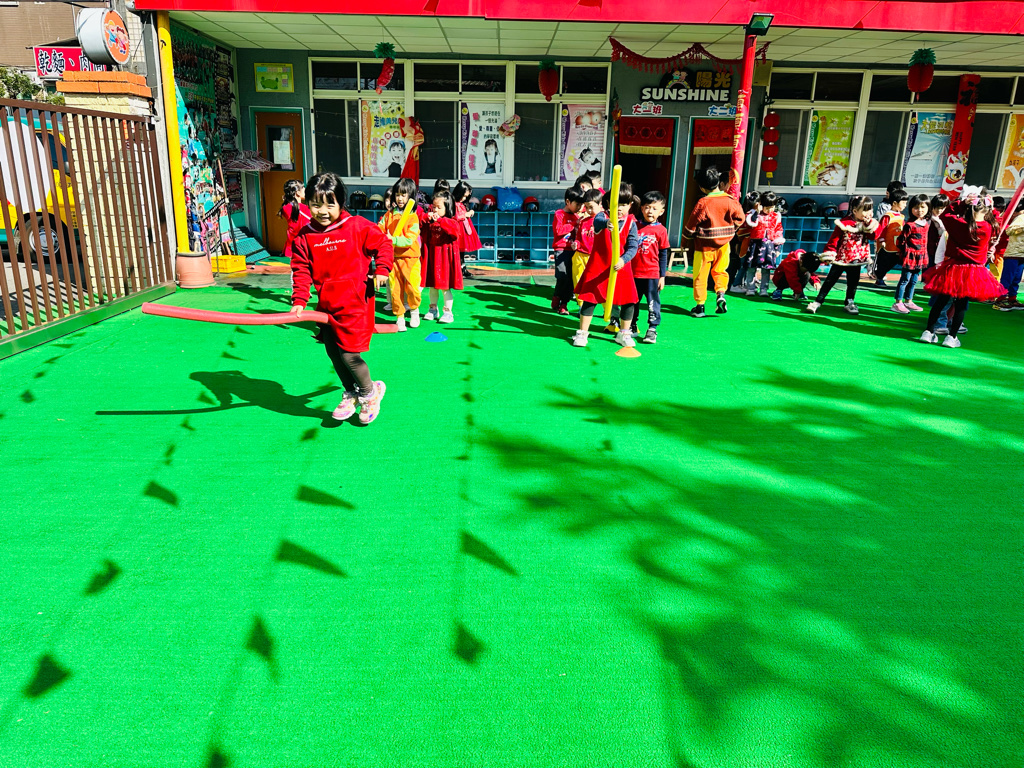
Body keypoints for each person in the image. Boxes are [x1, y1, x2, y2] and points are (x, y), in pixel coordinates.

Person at [289, 172, 393, 425]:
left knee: (349, 355)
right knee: (334, 354)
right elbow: (301, 270)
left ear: (341, 202)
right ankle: (351, 392)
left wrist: (382, 269)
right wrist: (299, 300)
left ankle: (369, 393)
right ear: (307, 203)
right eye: (316, 204)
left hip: (355, 303)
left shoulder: (356, 226)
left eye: (329, 204)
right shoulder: (304, 236)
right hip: (327, 306)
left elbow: (383, 245)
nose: (322, 211)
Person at [919, 187, 1006, 347]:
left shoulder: (957, 224)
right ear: (986, 210)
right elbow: (998, 221)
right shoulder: (988, 228)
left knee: (941, 301)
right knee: (960, 305)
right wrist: (992, 207)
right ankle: (951, 337)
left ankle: (928, 332)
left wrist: (961, 203)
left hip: (953, 268)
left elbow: (945, 215)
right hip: (973, 271)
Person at [572, 183, 641, 348]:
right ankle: (582, 332)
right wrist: (607, 223)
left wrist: (623, 259)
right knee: (590, 299)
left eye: (624, 204)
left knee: (628, 301)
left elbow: (633, 246)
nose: (620, 208)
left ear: (630, 205)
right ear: (608, 203)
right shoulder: (601, 217)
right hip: (598, 267)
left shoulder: (631, 223)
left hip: (620, 268)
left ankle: (624, 333)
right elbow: (598, 222)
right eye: (616, 204)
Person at [681, 166, 746, 317]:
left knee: (700, 274)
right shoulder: (731, 200)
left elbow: (691, 225)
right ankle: (720, 294)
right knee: (720, 271)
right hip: (724, 245)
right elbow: (740, 218)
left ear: (702, 187)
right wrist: (732, 229)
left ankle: (700, 306)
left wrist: (685, 241)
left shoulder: (703, 202)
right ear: (718, 182)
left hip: (704, 246)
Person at [806, 196, 878, 315]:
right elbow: (834, 239)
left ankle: (849, 302)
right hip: (841, 259)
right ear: (855, 211)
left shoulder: (868, 224)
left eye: (870, 209)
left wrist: (869, 224)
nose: (869, 213)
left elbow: (874, 236)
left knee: (853, 283)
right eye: (865, 210)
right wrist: (830, 253)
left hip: (857, 260)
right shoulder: (844, 223)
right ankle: (818, 301)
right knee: (830, 280)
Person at [378, 178, 422, 332]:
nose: (400, 198)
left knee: (412, 287)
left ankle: (414, 311)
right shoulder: (389, 215)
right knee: (395, 289)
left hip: (411, 258)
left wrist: (393, 239)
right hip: (393, 258)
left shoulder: (413, 217)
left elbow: (409, 239)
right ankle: (400, 317)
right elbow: (380, 229)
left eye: (403, 195)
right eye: (397, 195)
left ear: (411, 196)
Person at [628, 190, 670, 344]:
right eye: (646, 207)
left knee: (653, 302)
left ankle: (652, 329)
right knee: (632, 301)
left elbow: (663, 254)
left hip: (652, 274)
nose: (649, 211)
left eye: (654, 208)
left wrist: (662, 276)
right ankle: (631, 325)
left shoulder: (661, 230)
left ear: (661, 211)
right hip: (633, 273)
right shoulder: (634, 226)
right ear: (641, 208)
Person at [420, 189, 463, 324]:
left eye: (439, 207)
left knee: (445, 287)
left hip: (445, 260)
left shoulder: (452, 221)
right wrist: (426, 217)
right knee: (432, 286)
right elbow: (419, 224)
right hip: (432, 257)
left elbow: (454, 231)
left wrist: (440, 220)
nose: (435, 210)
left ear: (448, 207)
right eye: (434, 207)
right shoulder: (430, 222)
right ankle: (433, 309)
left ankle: (448, 312)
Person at [893, 193, 930, 313]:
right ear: (911, 209)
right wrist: (905, 252)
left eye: (923, 207)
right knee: (905, 279)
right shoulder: (909, 225)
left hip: (921, 256)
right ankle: (898, 303)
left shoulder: (926, 223)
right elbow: (901, 240)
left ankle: (909, 301)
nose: (919, 210)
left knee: (914, 280)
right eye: (916, 207)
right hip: (910, 256)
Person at [551, 186, 585, 314]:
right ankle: (556, 297)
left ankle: (564, 304)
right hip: (561, 249)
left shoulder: (577, 216)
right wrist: (574, 224)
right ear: (567, 202)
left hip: (574, 250)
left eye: (581, 204)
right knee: (562, 276)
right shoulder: (559, 214)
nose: (579, 207)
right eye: (577, 204)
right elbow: (558, 231)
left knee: (571, 278)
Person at [745, 190, 786, 296]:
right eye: (767, 207)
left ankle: (764, 289)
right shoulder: (754, 214)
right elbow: (750, 224)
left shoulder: (776, 216)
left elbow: (778, 231)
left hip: (769, 245)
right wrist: (756, 212)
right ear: (761, 205)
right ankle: (750, 288)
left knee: (766, 268)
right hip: (755, 244)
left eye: (772, 207)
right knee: (751, 267)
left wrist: (778, 247)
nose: (769, 210)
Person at [573, 188, 603, 307]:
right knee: (578, 280)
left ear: (600, 204)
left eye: (591, 207)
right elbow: (578, 237)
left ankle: (608, 309)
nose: (588, 210)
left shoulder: (604, 221)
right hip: (580, 255)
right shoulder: (583, 221)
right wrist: (576, 243)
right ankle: (581, 305)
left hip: (596, 257)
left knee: (600, 283)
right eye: (586, 207)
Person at [873, 188, 908, 287]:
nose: (905, 205)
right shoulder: (888, 216)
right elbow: (882, 229)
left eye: (905, 203)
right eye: (903, 203)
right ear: (895, 203)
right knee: (884, 262)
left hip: (897, 245)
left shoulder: (901, 216)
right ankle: (879, 278)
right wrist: (882, 240)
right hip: (886, 245)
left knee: (894, 261)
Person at [994, 201, 1024, 311]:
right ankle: (1000, 299)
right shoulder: (1020, 218)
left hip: (1021, 254)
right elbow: (1009, 230)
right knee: (1008, 277)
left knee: (1016, 278)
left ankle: (1012, 298)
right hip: (1013, 253)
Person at [452, 181, 482, 280]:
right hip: (458, 229)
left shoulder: (461, 204)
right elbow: (454, 216)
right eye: (463, 196)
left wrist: (469, 212)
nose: (464, 198)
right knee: (457, 251)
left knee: (461, 252)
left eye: (466, 197)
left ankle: (462, 268)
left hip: (464, 229)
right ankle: (459, 269)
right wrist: (465, 214)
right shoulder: (453, 203)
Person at [278, 179, 310, 261]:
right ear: (298, 192)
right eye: (303, 188)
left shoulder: (286, 207)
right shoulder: (306, 209)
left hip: (291, 246)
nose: (305, 190)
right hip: (305, 245)